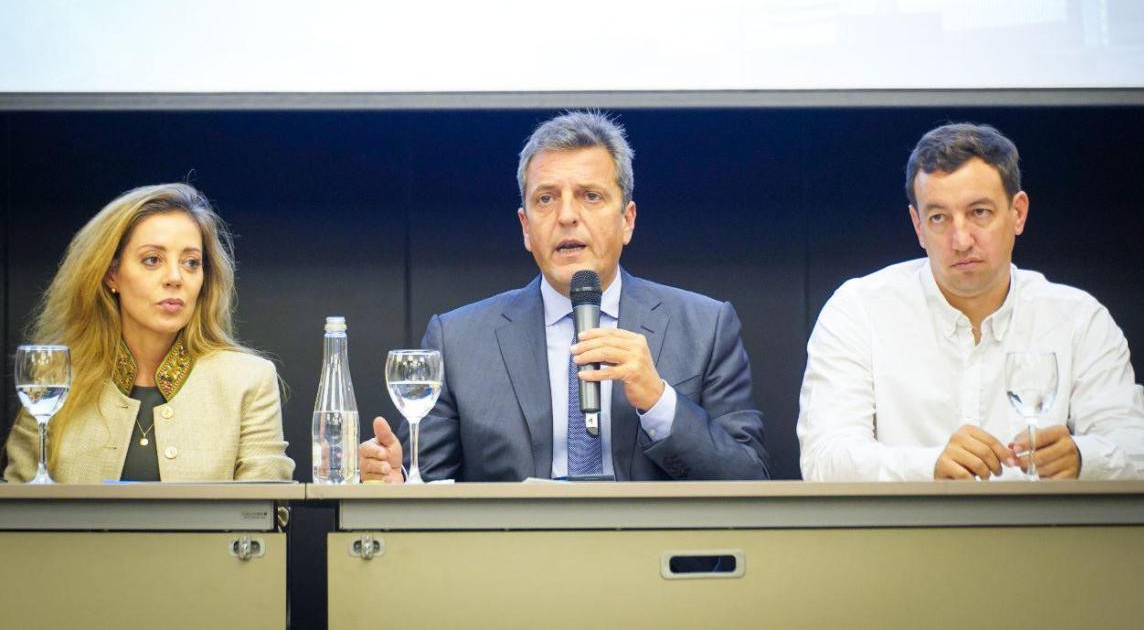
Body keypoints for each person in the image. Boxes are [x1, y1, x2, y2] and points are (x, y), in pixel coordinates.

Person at [361, 111, 769, 481]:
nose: (567, 215)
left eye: (590, 196)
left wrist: (658, 401)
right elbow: (425, 488)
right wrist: (397, 484)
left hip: (651, 556)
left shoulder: (705, 327)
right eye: (546, 199)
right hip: (513, 556)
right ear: (525, 226)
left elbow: (750, 478)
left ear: (627, 221)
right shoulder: (458, 340)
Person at [798, 123, 1144, 481]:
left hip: (1046, 539)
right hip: (905, 541)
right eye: (939, 217)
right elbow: (824, 459)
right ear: (918, 227)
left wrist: (1084, 459)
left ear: (1018, 213)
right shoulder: (859, 310)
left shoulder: (1077, 318)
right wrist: (929, 467)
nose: (960, 240)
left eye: (979, 212)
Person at [3, 183, 294, 483]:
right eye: (152, 260)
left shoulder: (248, 380)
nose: (175, 277)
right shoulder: (55, 381)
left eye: (191, 262)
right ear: (111, 274)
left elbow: (267, 514)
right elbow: (16, 515)